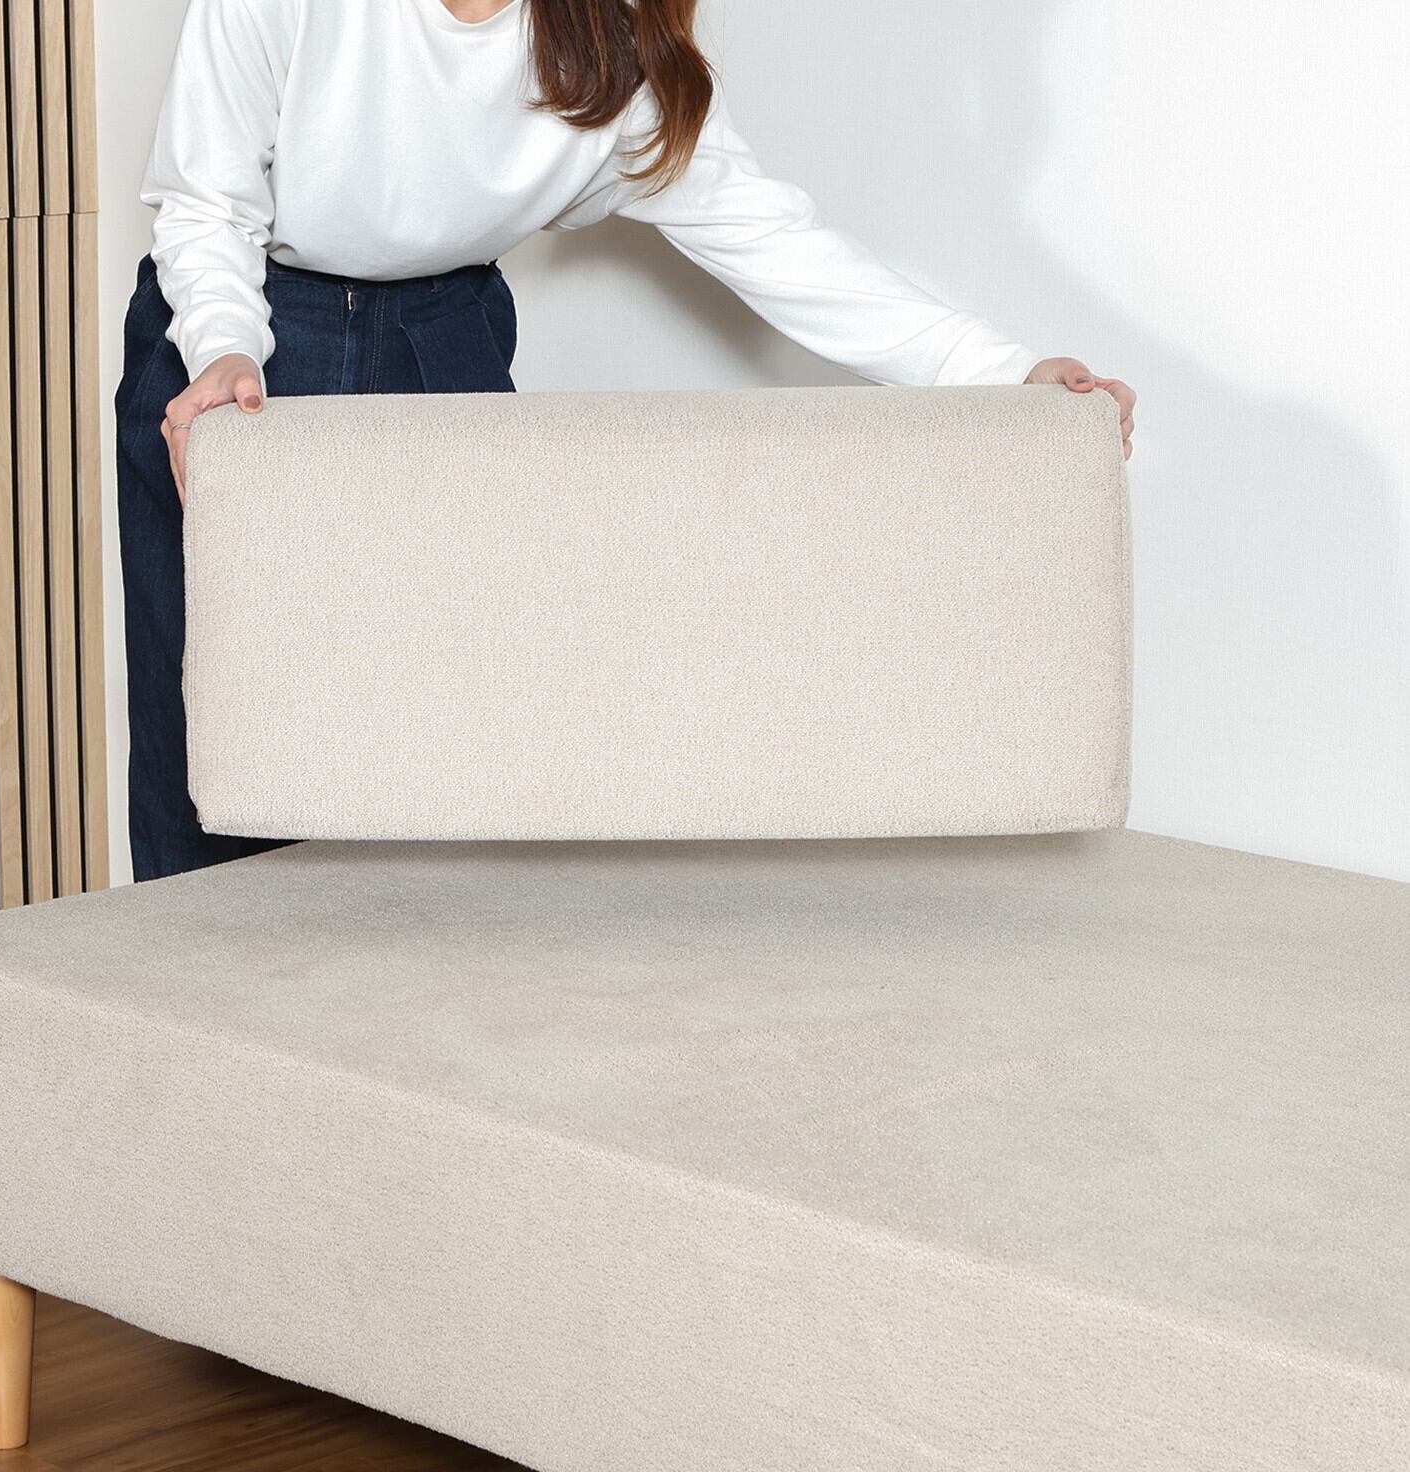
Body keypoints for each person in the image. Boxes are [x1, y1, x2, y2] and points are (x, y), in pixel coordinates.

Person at [118, 0, 1138, 883]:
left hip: (446, 333)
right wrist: (224, 347)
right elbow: (205, 201)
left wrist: (1004, 372)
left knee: (442, 741)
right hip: (237, 326)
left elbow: (776, 240)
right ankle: (180, 1010)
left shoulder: (611, 48)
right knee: (208, 728)